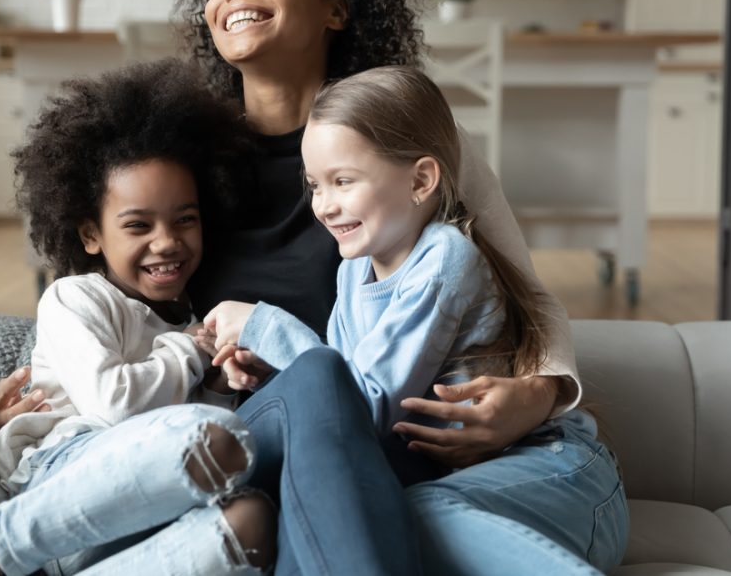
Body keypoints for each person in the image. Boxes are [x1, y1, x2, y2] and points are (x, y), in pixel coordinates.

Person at [0, 0, 628, 575]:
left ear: (336, 13)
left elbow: (526, 291)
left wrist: (544, 392)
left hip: (392, 452)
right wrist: (43, 409)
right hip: (272, 448)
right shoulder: (184, 168)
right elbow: (116, 300)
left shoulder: (406, 151)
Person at [0, 61, 275, 576]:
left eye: (185, 220)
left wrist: (215, 380)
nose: (167, 241)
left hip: (138, 510)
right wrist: (189, 352)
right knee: (213, 435)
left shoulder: (191, 318)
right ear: (90, 235)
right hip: (64, 477)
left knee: (253, 518)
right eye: (138, 225)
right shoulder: (76, 299)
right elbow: (117, 407)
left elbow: (177, 418)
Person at [198, 66, 549, 489]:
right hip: (394, 460)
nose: (324, 206)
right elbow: (347, 376)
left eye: (343, 181)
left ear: (420, 180)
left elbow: (362, 406)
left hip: (455, 474)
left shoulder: (444, 259)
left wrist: (266, 325)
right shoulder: (353, 270)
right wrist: (271, 367)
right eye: (315, 186)